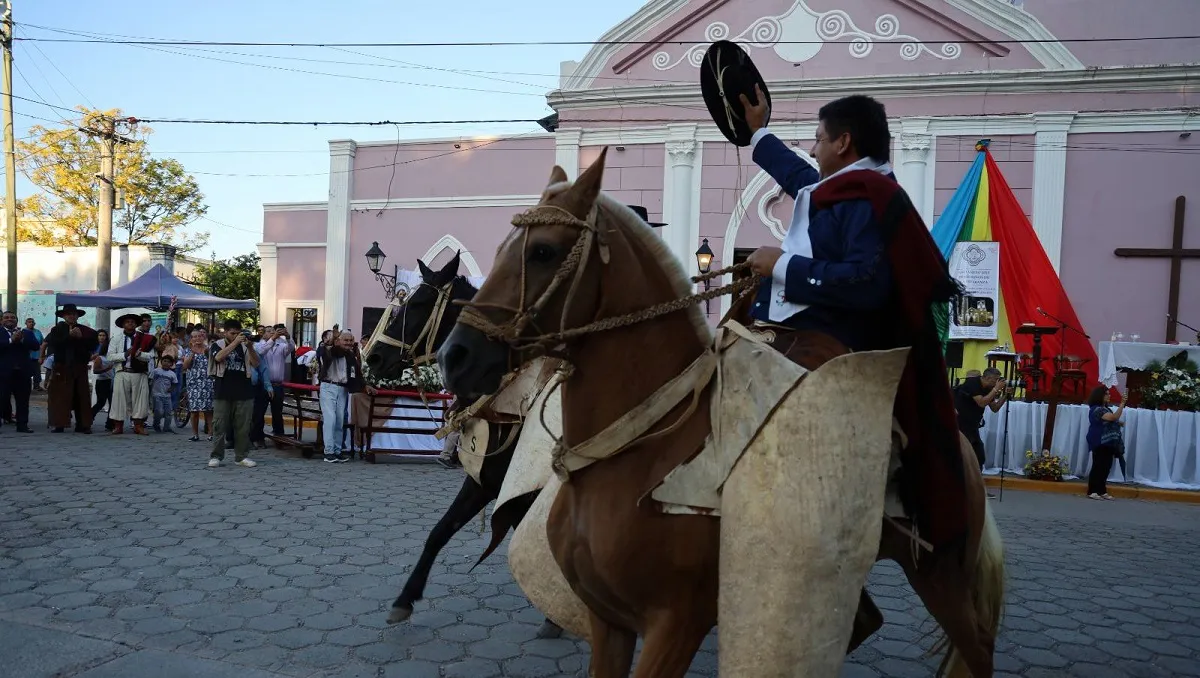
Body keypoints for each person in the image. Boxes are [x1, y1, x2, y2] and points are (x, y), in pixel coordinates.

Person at [738, 89, 965, 547]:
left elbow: (866, 283)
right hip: (803, 328)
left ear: (843, 143)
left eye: (818, 139)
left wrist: (781, 265)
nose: (812, 149)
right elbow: (800, 177)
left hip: (835, 338)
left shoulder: (871, 198)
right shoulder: (849, 190)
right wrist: (757, 131)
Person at [316, 330, 374, 463]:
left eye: (350, 340)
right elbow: (326, 354)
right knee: (330, 419)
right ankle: (329, 452)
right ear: (338, 340)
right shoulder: (327, 349)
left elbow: (357, 373)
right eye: (345, 340)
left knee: (340, 420)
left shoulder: (350, 355)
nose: (349, 343)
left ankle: (337, 451)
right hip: (328, 387)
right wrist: (331, 343)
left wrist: (365, 386)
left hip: (342, 389)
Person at [207, 320, 259, 468]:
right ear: (225, 333)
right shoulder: (217, 344)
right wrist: (235, 343)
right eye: (232, 333)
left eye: (238, 333)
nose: (235, 336)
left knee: (243, 426)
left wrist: (250, 347)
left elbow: (256, 363)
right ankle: (216, 456)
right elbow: (218, 357)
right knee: (219, 425)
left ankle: (241, 456)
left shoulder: (245, 346)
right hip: (223, 391)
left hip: (244, 390)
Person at [43, 304, 100, 433]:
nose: (72, 316)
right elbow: (55, 343)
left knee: (82, 396)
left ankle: (83, 424)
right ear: (64, 316)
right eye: (69, 314)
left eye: (74, 314)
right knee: (60, 396)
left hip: (79, 366)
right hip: (61, 367)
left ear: (77, 316)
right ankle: (59, 424)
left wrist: (80, 338)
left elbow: (93, 345)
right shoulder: (56, 330)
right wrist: (69, 336)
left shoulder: (86, 331)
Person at [107, 313, 156, 435]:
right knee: (119, 399)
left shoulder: (145, 338)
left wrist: (140, 355)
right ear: (123, 325)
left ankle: (138, 425)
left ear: (136, 324)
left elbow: (151, 355)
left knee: (140, 400)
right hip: (122, 372)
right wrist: (125, 354)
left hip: (139, 373)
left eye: (133, 322)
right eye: (127, 322)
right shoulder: (116, 338)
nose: (130, 324)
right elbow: (110, 356)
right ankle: (118, 425)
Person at [954, 368, 1009, 471]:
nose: (997, 382)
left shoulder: (988, 388)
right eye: (996, 379)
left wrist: (1006, 395)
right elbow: (982, 402)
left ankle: (976, 476)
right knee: (963, 454)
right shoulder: (973, 383)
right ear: (987, 378)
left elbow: (995, 408)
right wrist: (996, 389)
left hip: (972, 425)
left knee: (979, 456)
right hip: (960, 424)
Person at [0, 310, 40, 433]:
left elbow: (36, 346)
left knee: (23, 400)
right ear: (1, 320)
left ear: (17, 320)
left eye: (12, 317)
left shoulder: (26, 333)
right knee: (2, 398)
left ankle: (22, 425)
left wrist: (22, 340)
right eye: (6, 317)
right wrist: (11, 340)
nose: (10, 319)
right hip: (3, 373)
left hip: (23, 373)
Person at [254, 324, 295, 440]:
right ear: (263, 334)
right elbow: (261, 351)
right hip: (263, 385)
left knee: (277, 413)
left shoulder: (281, 346)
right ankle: (258, 438)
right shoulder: (258, 345)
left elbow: (291, 347)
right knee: (259, 413)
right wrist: (273, 338)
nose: (272, 332)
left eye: (273, 331)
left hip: (277, 385)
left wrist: (287, 336)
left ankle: (279, 437)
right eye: (268, 331)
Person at [1086, 386, 1125, 500]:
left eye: (1109, 393)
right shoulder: (1096, 409)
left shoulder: (1106, 409)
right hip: (1099, 441)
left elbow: (1111, 419)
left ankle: (1102, 490)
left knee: (1106, 467)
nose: (1109, 395)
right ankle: (1092, 491)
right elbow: (1112, 417)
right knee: (1098, 466)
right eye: (1106, 394)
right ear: (1100, 396)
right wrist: (1122, 404)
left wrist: (1119, 423)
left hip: (1109, 442)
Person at [182, 330, 214, 442]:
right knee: (194, 410)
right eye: (194, 337)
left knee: (209, 410)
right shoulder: (188, 350)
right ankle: (195, 434)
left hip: (208, 382)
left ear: (203, 337)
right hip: (193, 383)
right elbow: (185, 366)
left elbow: (214, 362)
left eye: (199, 336)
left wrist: (206, 353)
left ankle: (211, 434)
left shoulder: (209, 349)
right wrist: (192, 353)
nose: (197, 338)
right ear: (191, 339)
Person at [91, 330, 116, 430]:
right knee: (101, 402)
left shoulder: (112, 358)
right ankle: (89, 417)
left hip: (111, 381)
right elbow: (95, 370)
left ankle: (110, 424)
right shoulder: (100, 358)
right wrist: (106, 369)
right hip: (102, 382)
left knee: (112, 403)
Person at [151, 355, 179, 433]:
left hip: (167, 396)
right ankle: (156, 424)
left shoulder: (172, 374)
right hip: (157, 395)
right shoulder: (156, 371)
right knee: (159, 411)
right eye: (165, 361)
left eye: (169, 362)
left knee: (169, 413)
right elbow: (150, 380)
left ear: (171, 364)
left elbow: (175, 383)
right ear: (161, 362)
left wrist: (171, 389)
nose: (166, 363)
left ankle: (167, 427)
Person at [24, 318, 44, 391]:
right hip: (26, 357)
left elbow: (42, 344)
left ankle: (36, 386)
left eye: (32, 322)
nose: (31, 323)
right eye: (29, 322)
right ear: (26, 323)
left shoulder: (38, 332)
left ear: (34, 323)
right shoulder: (23, 332)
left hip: (36, 356)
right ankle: (25, 386)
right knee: (25, 372)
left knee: (37, 372)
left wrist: (41, 356)